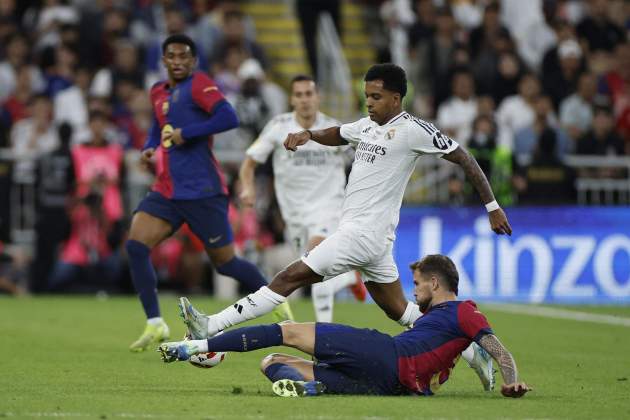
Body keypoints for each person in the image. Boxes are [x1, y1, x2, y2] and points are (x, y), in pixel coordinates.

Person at [179, 63, 512, 389]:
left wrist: (492, 207)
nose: (369, 102)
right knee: (397, 310)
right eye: (367, 95)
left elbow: (463, 157)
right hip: (374, 242)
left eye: (377, 97)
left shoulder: (414, 130)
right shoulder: (366, 126)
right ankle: (472, 352)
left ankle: (211, 325)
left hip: (360, 235)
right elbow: (338, 134)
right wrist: (309, 134)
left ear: (396, 99)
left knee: (288, 278)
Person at [160, 255, 531, 398]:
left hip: (385, 353)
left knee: (288, 330)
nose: (413, 290)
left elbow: (500, 350)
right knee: (271, 361)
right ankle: (314, 387)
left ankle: (196, 345)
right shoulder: (437, 323)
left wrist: (511, 378)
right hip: (392, 386)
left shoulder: (464, 311)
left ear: (435, 284)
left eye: (417, 283)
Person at [126, 34, 293, 352]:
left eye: (183, 56)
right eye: (171, 56)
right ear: (163, 61)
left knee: (226, 264)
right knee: (135, 246)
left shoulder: (200, 84)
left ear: (193, 61)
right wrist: (149, 149)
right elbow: (157, 127)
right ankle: (155, 323)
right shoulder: (158, 91)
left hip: (203, 191)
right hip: (167, 190)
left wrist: (186, 133)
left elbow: (228, 117)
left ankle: (277, 301)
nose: (177, 61)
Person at [239, 74, 366, 323]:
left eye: (309, 94)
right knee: (313, 271)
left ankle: (323, 340)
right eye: (299, 95)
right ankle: (349, 278)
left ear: (317, 97)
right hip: (294, 214)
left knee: (316, 260)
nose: (305, 100)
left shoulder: (333, 130)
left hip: (329, 207)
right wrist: (248, 187)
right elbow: (249, 162)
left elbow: (362, 162)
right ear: (292, 99)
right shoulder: (278, 127)